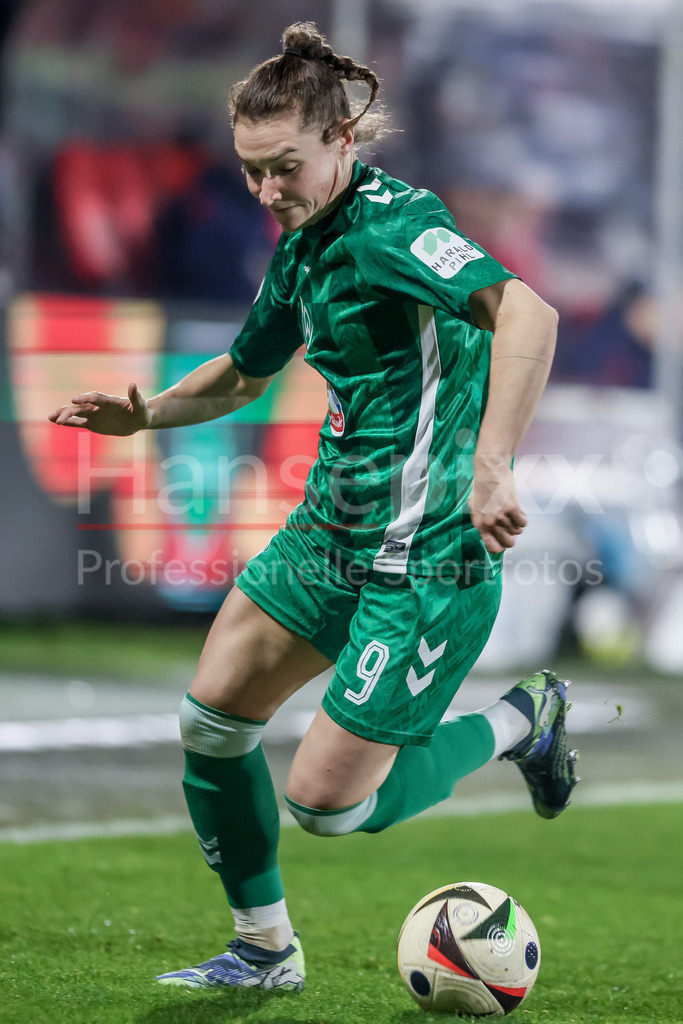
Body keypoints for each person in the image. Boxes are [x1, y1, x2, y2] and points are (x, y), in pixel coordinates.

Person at [49, 21, 576, 995]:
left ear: (341, 139)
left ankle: (520, 716)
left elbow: (526, 313)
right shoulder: (302, 246)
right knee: (210, 722)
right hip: (328, 532)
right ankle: (262, 953)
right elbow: (246, 376)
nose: (266, 191)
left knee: (329, 808)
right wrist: (149, 414)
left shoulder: (392, 228)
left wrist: (492, 464)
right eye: (251, 171)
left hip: (427, 557)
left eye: (283, 167)